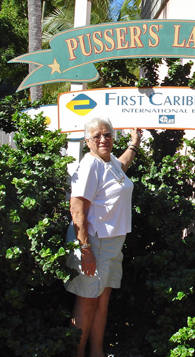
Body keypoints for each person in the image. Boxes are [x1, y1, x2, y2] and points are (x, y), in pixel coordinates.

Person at [65, 117, 141, 357]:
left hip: (112, 244)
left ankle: (96, 353)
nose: (103, 139)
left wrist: (135, 143)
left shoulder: (109, 163)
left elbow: (122, 165)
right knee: (87, 303)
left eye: (107, 134)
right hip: (94, 244)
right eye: (96, 136)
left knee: (101, 303)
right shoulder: (90, 165)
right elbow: (77, 210)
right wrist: (85, 250)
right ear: (87, 141)